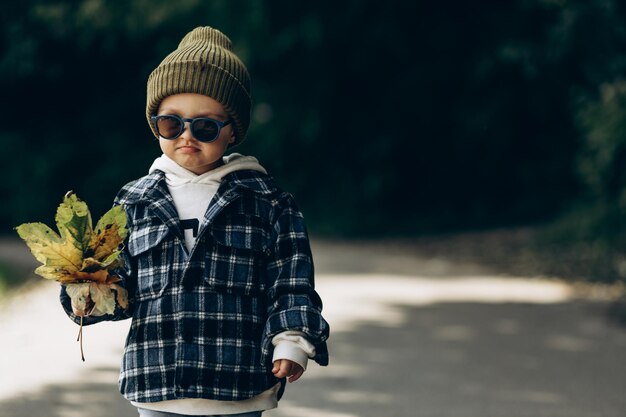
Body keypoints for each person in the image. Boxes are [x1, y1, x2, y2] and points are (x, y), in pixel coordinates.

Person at [60, 26, 330, 417]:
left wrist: (291, 342)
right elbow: (121, 291)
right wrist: (86, 295)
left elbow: (291, 281)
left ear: (232, 131)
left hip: (239, 383)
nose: (187, 136)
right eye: (172, 124)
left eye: (205, 126)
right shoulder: (133, 201)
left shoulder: (267, 201)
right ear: (156, 125)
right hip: (157, 381)